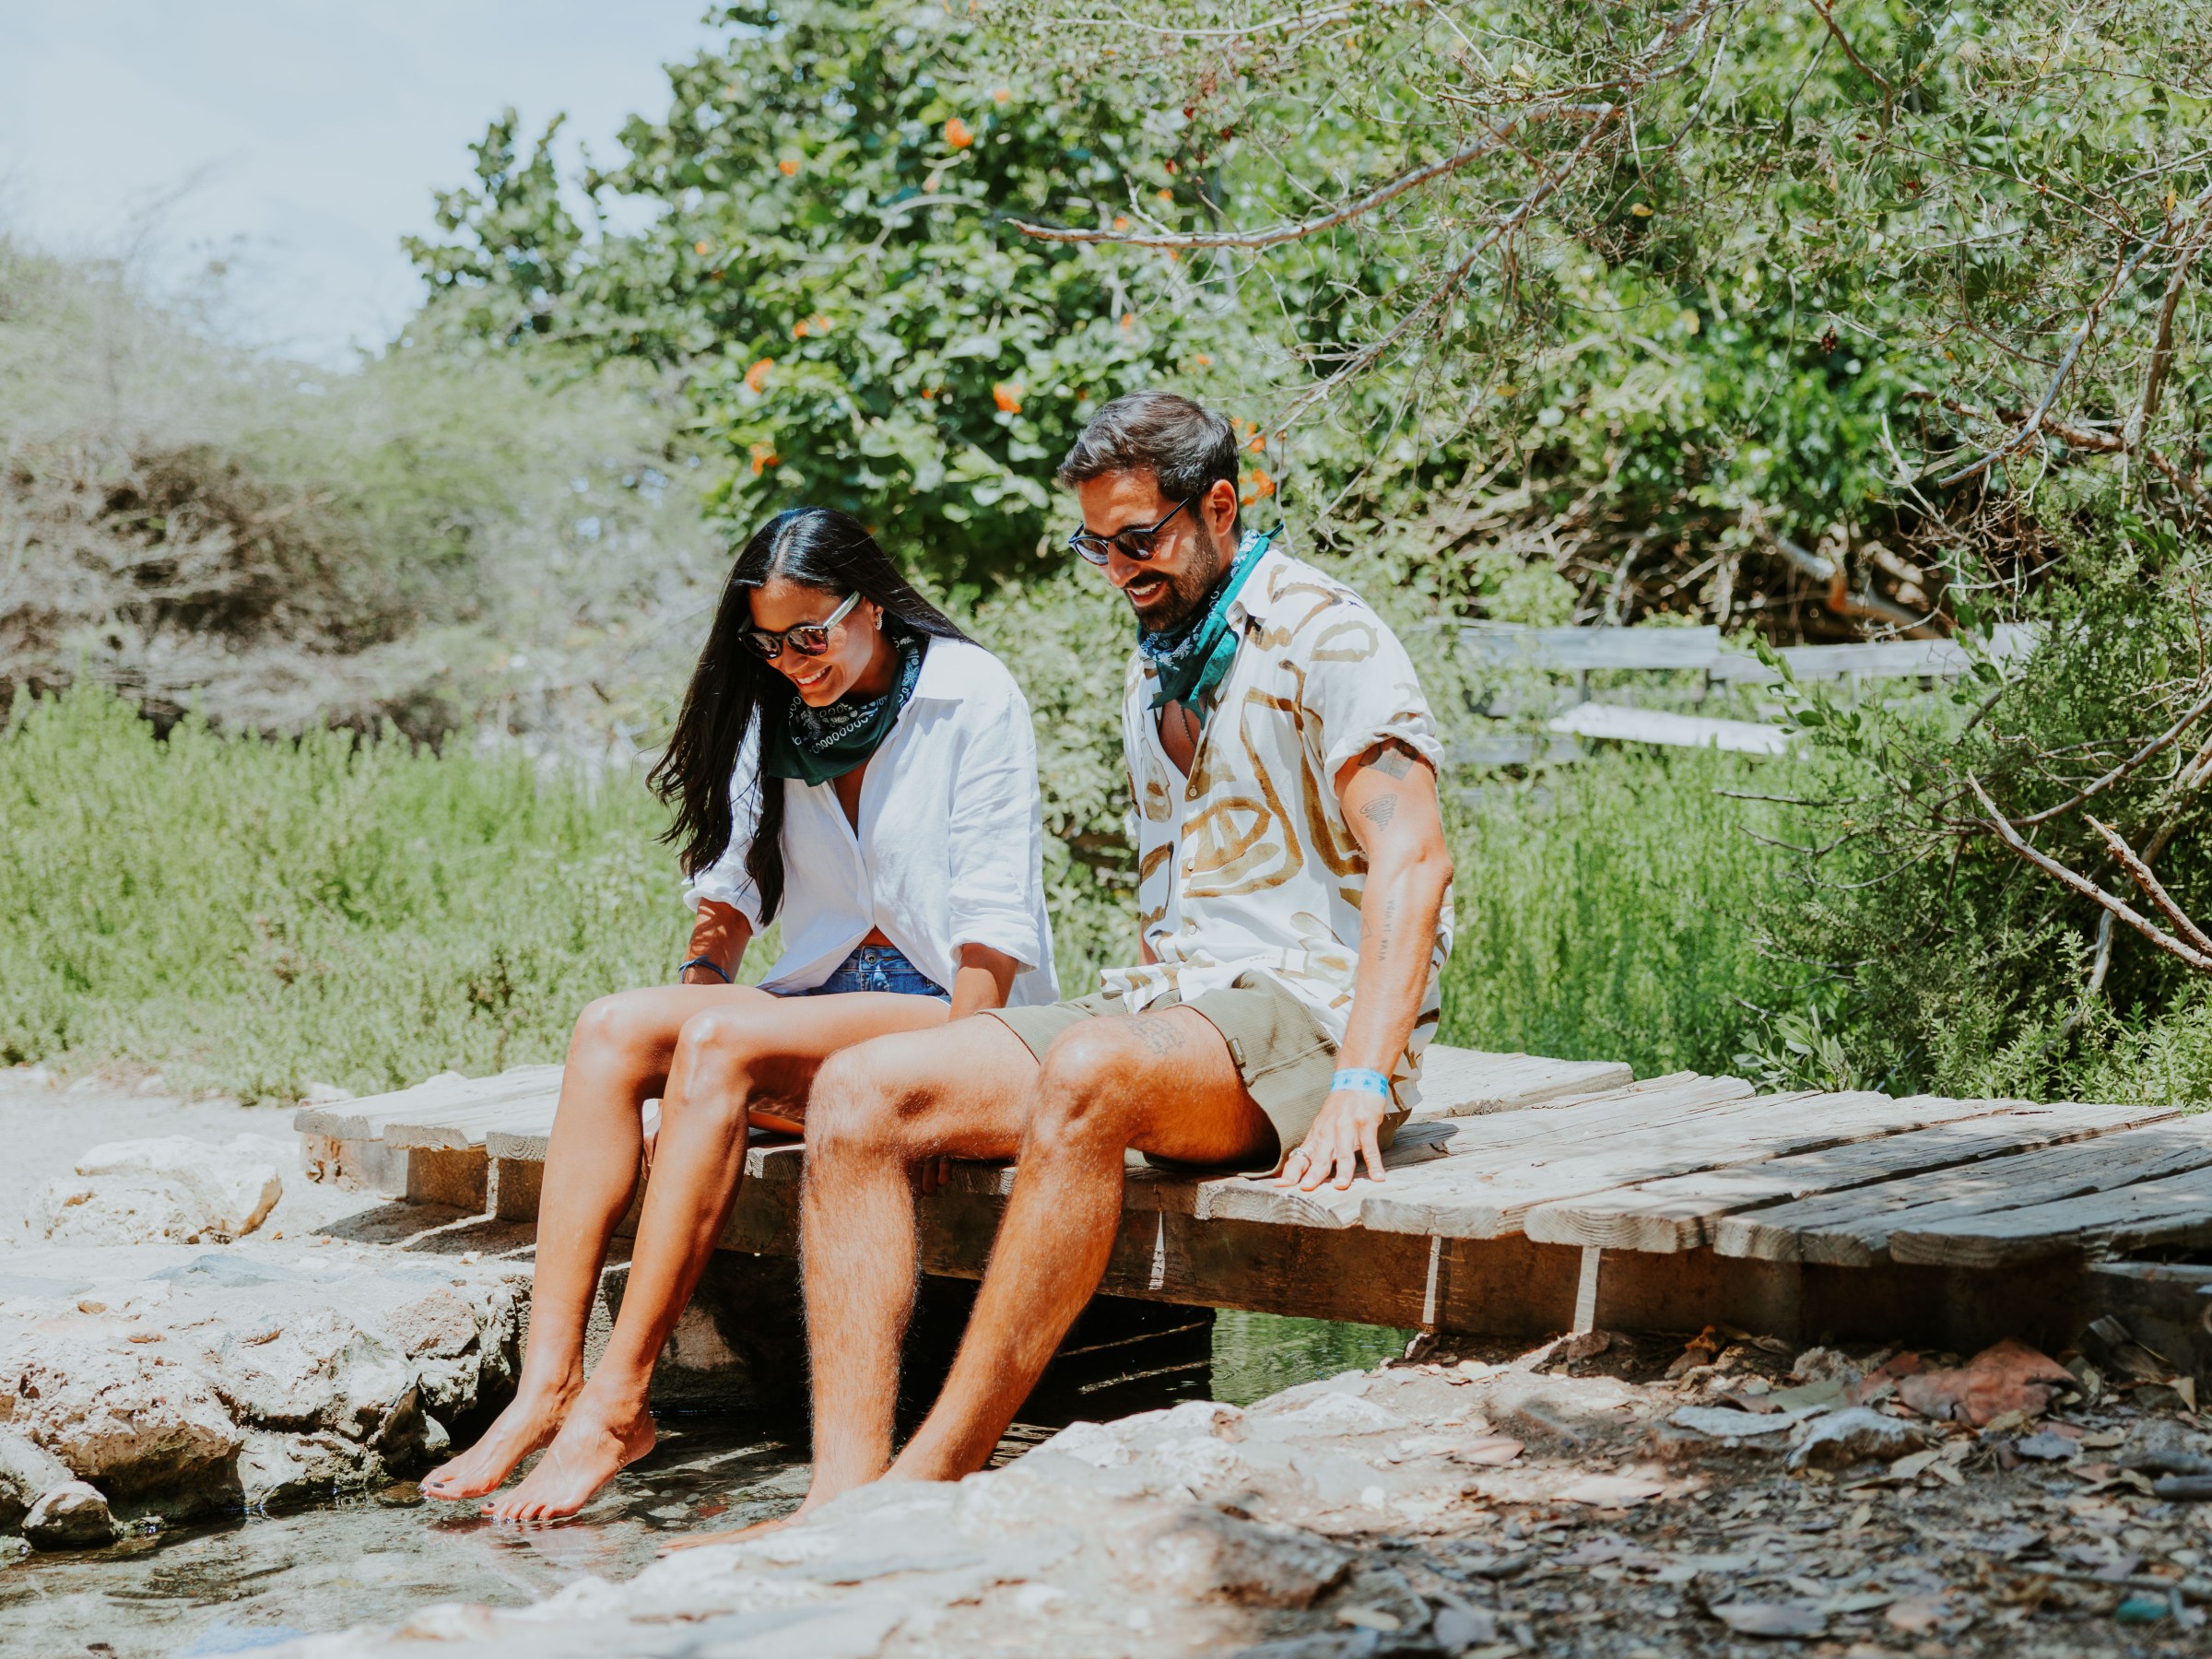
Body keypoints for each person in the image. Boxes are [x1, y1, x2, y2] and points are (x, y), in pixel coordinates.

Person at [685, 390, 1454, 1538]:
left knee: (1090, 1066)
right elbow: (1176, 898)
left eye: (1138, 540)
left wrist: (1361, 1080)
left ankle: (929, 1482)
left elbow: (1416, 858)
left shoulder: (1327, 637)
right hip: (1180, 1015)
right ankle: (839, 1498)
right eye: (1095, 543)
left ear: (1222, 508)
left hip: (1312, 1016)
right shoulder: (1156, 667)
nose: (1116, 568)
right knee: (865, 1089)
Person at [419, 505, 1058, 1521]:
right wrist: (694, 1016)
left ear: (873, 607)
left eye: (813, 635)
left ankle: (619, 1404)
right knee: (610, 1030)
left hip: (956, 1012)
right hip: (823, 1004)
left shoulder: (969, 694)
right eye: (770, 642)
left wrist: (947, 1078)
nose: (794, 660)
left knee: (719, 1044)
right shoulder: (778, 710)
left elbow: (992, 921)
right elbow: (729, 898)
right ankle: (550, 1384)